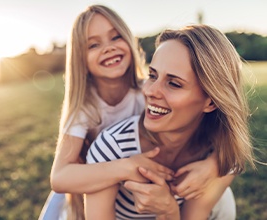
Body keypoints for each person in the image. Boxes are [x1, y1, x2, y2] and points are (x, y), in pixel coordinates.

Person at [40, 5, 220, 220]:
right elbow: (59, 178)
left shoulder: (150, 90)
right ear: (81, 59)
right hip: (95, 185)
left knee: (220, 196)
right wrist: (126, 167)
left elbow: (221, 134)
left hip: (147, 184)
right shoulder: (84, 109)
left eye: (115, 37)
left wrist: (212, 165)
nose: (108, 48)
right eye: (94, 44)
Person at [85, 24, 256, 220]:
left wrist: (168, 212)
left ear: (211, 102)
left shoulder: (219, 153)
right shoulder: (111, 148)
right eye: (152, 76)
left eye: (174, 84)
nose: (150, 91)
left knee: (224, 199)